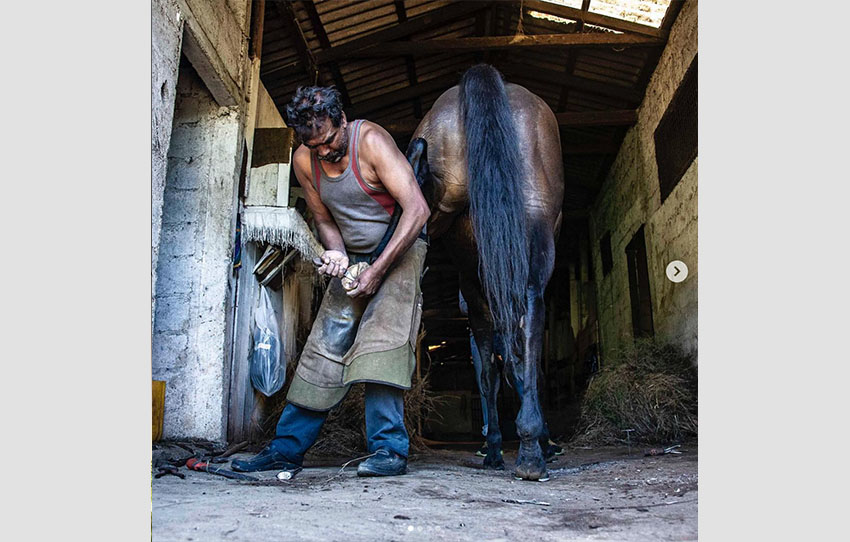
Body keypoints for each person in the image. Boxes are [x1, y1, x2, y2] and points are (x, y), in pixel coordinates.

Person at [232, 86, 430, 477]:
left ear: (343, 119)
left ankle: (389, 450)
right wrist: (337, 255)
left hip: (402, 248)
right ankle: (286, 449)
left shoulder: (369, 142)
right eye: (313, 144)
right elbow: (323, 218)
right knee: (325, 345)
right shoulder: (305, 160)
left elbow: (418, 209)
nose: (323, 152)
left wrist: (376, 272)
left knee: (381, 342)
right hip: (355, 258)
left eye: (328, 141)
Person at [458, 291, 564, 459]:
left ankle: (540, 431)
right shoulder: (472, 268)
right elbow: (465, 305)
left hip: (509, 330)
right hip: (481, 331)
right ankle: (489, 435)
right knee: (486, 382)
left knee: (522, 377)